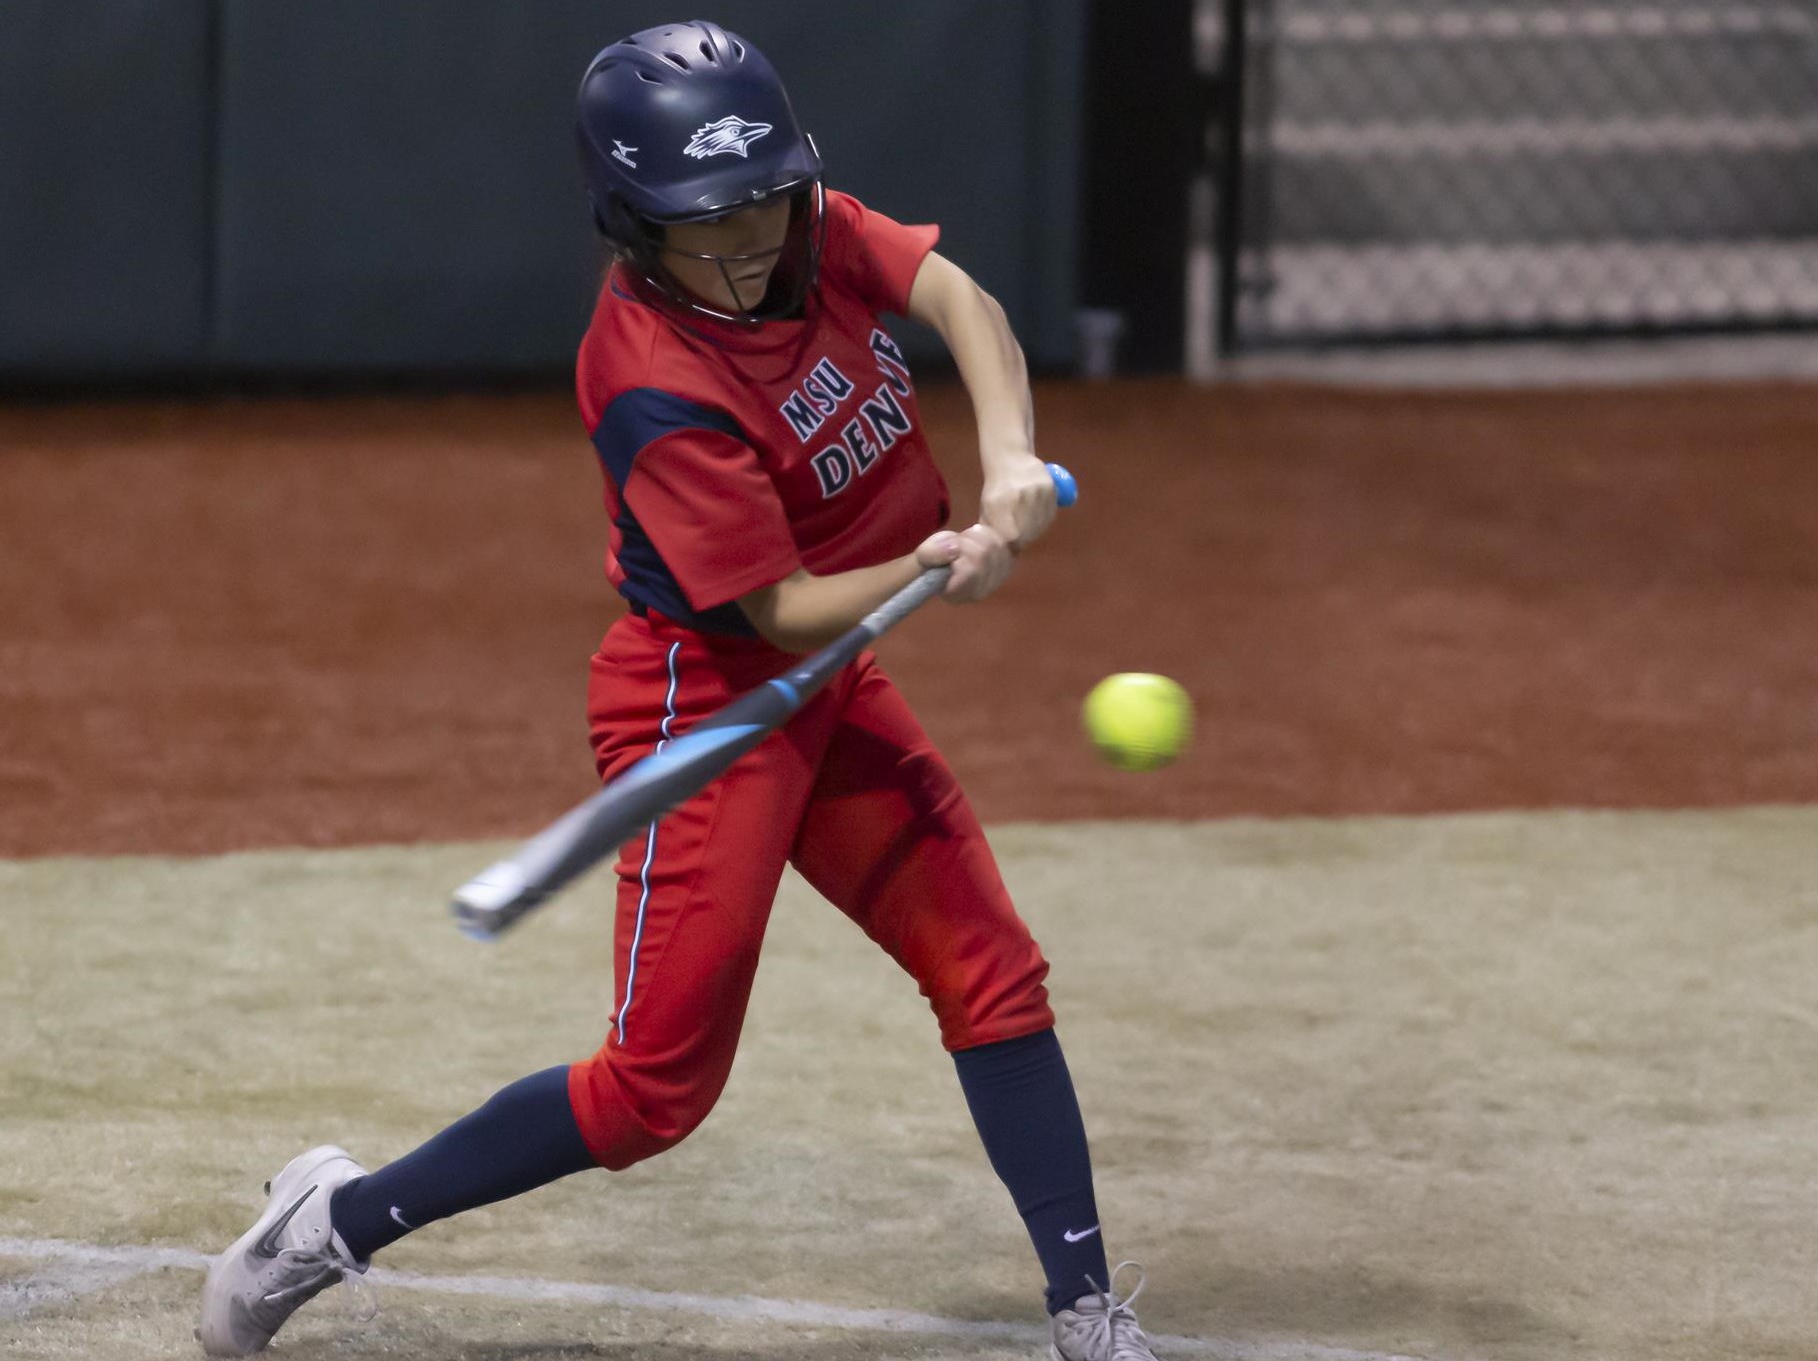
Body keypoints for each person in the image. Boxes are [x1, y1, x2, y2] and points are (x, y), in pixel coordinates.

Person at [197, 21, 1167, 1361]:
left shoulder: (806, 224)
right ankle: (329, 1220)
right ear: (631, 220)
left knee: (990, 969)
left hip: (828, 693)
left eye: (765, 198)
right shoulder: (647, 376)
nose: (752, 239)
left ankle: (1085, 1312)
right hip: (703, 703)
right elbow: (774, 610)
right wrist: (933, 559)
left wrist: (1008, 457)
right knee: (652, 1096)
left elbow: (962, 304)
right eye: (709, 222)